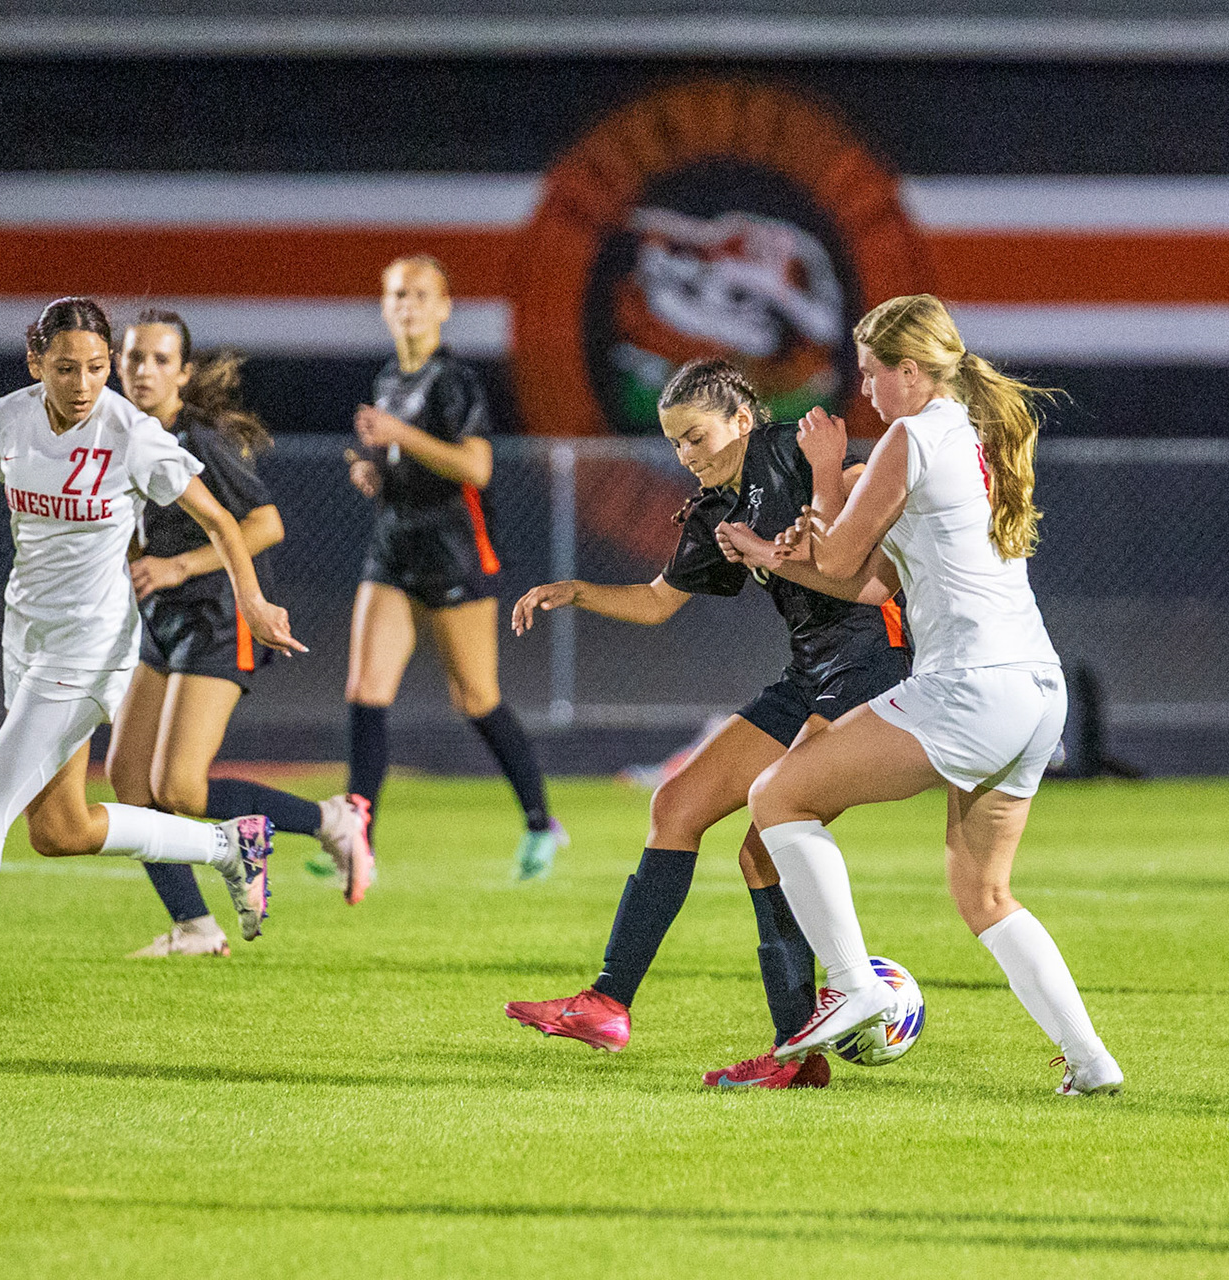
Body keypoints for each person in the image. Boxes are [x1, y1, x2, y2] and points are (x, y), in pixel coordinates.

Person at [0, 297, 302, 1040]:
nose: (83, 384)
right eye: (66, 368)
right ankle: (227, 845)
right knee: (59, 828)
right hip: (27, 637)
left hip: (92, 647)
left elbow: (221, 519)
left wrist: (253, 600)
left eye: (97, 367)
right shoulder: (8, 419)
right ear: (35, 364)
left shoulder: (130, 433)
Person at [745, 293, 1124, 1096]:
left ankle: (854, 985)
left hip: (970, 687)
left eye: (872, 373)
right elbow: (872, 583)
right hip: (1035, 691)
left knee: (777, 796)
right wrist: (772, 554)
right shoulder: (969, 437)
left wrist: (823, 468)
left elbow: (839, 560)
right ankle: (1091, 1060)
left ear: (911, 372)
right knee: (984, 893)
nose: (864, 390)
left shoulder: (910, 437)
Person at [502, 358, 913, 1089]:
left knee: (765, 847)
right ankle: (607, 1003)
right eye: (675, 444)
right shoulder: (715, 510)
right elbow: (658, 602)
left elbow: (865, 499)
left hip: (872, 666)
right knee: (677, 804)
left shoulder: (794, 450)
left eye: (696, 437)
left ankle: (795, 1054)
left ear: (742, 420)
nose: (686, 455)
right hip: (809, 674)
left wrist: (843, 485)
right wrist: (577, 591)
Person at [106, 310, 375, 960]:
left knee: (179, 789)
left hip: (218, 617)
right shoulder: (118, 433)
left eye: (161, 359)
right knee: (129, 780)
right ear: (117, 364)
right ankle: (195, 927)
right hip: (162, 620)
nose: (144, 370)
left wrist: (177, 565)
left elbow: (264, 524)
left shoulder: (198, 438)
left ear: (183, 373)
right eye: (134, 357)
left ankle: (333, 819)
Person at [343, 255, 560, 878]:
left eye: (419, 294)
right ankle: (356, 840)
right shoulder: (389, 378)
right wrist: (374, 471)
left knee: (476, 697)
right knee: (365, 691)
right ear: (384, 306)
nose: (406, 304)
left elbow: (476, 467)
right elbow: (405, 461)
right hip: (394, 545)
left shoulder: (454, 381)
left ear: (443, 307)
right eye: (396, 294)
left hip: (453, 552)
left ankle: (541, 823)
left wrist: (398, 436)